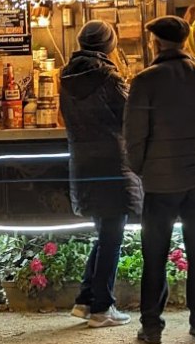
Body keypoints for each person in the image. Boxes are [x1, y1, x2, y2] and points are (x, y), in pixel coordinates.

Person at [123, 15, 195, 344]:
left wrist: (142, 170)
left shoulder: (144, 81)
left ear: (156, 43)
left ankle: (152, 327)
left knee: (154, 255)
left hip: (159, 183)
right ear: (185, 42)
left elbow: (133, 136)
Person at [59, 20, 143, 328]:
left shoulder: (65, 76)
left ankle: (85, 301)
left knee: (105, 234)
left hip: (83, 164)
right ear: (109, 44)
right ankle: (101, 307)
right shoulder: (108, 76)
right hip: (112, 163)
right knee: (112, 237)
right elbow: (129, 113)